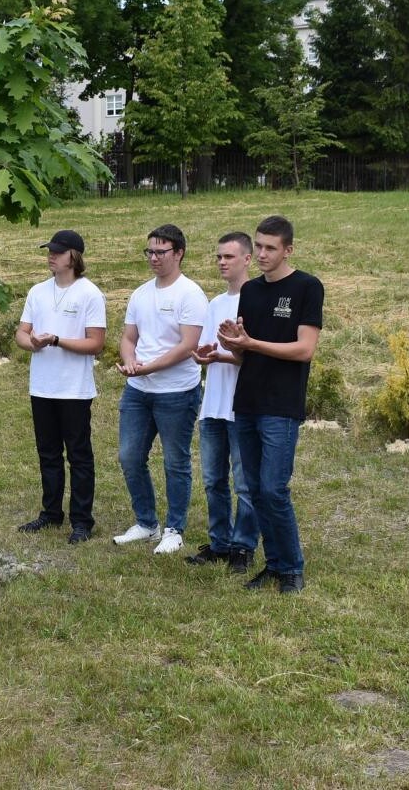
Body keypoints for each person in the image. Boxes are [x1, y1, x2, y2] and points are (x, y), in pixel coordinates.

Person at [217, 215, 323, 593]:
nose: (261, 253)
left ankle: (292, 568)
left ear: (288, 250)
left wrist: (251, 344)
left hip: (281, 405)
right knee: (256, 490)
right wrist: (230, 347)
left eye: (270, 248)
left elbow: (304, 349)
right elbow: (248, 355)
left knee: (274, 488)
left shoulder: (307, 287)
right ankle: (274, 565)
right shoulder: (251, 292)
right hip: (246, 401)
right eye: (258, 246)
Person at [112, 224, 208, 554]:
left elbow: (188, 345)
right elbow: (128, 338)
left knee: (175, 461)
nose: (153, 258)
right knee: (129, 456)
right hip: (138, 389)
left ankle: (174, 529)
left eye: (160, 252)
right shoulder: (140, 293)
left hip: (177, 391)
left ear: (178, 253)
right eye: (149, 251)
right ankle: (146, 523)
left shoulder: (190, 294)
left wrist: (148, 366)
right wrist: (129, 362)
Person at [15, 229, 107, 544]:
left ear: (74, 257)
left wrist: (55, 340)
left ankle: (82, 520)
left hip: (74, 389)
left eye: (57, 251)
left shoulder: (90, 294)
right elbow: (22, 333)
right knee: (48, 453)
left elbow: (96, 344)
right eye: (49, 250)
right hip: (42, 386)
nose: (51, 255)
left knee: (78, 454)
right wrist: (33, 343)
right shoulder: (37, 291)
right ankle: (51, 512)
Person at [186, 232, 259, 574]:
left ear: (247, 259)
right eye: (218, 257)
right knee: (213, 479)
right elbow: (208, 349)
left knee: (244, 482)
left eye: (229, 257)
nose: (221, 262)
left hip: (242, 405)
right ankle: (219, 542)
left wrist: (227, 354)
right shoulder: (215, 304)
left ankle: (243, 547)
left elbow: (258, 358)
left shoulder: (256, 300)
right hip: (213, 404)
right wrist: (203, 355)